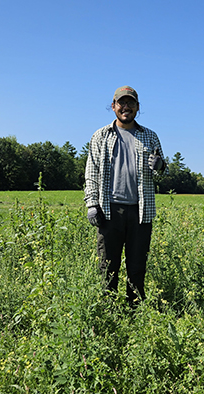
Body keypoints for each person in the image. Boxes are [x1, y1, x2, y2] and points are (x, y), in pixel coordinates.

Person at [84, 85, 166, 306]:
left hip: (140, 212)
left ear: (138, 107)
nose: (126, 107)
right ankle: (109, 310)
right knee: (108, 265)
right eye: (121, 103)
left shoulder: (150, 136)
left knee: (137, 265)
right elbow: (91, 173)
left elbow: (161, 175)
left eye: (131, 103)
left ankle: (135, 310)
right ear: (113, 106)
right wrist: (92, 204)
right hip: (110, 211)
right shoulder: (101, 136)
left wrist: (159, 167)